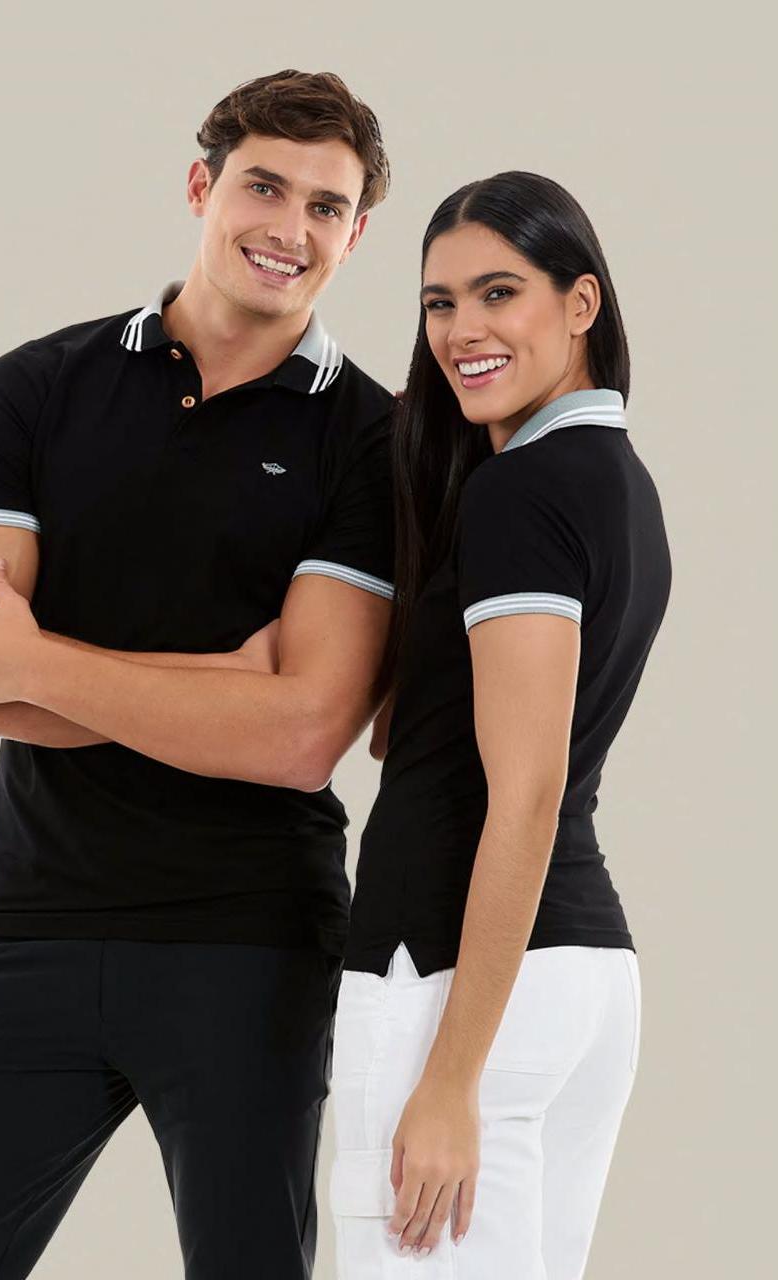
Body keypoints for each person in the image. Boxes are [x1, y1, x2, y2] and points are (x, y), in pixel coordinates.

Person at [0, 70, 395, 1280]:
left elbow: (298, 738)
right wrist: (225, 685)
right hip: (26, 927)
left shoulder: (373, 436)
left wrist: (35, 660)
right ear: (201, 186)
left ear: (355, 233)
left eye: (326, 206)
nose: (289, 227)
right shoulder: (37, 385)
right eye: (263, 186)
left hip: (250, 944)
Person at [328, 171, 671, 1278]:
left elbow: (522, 794)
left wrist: (448, 1078)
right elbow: (417, 736)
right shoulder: (614, 482)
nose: (461, 330)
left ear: (581, 303)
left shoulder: (523, 493)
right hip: (580, 984)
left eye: (498, 292)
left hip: (457, 984)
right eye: (439, 302)